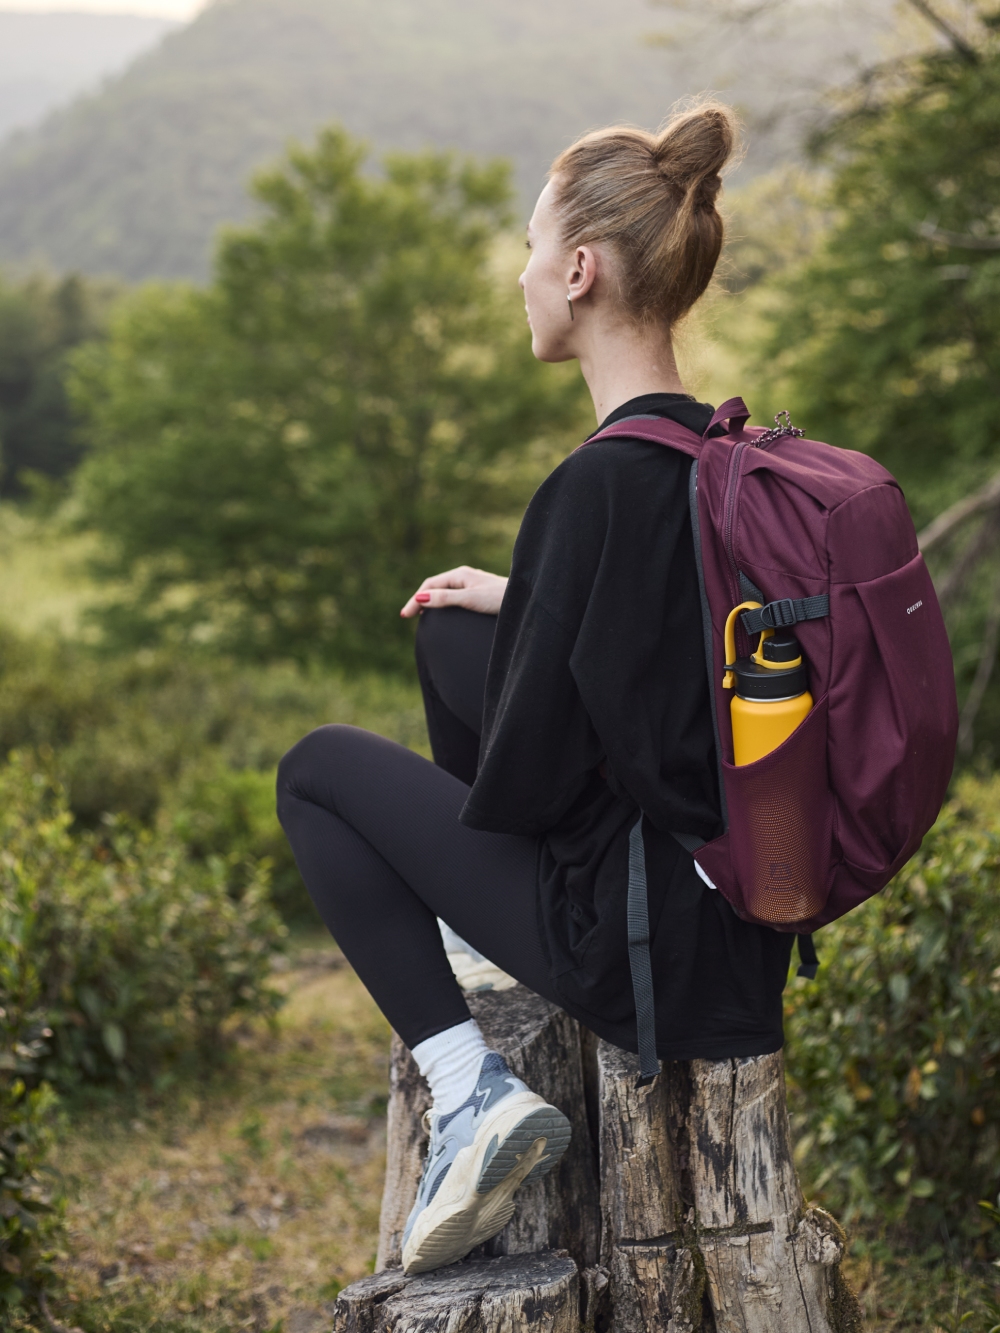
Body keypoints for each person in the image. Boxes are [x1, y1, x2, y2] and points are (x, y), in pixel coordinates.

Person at [276, 101, 795, 1276]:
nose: (518, 276)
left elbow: (525, 787)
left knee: (316, 772)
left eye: (529, 246)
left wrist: (534, 660)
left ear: (579, 269)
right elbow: (674, 638)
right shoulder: (717, 457)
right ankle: (479, 947)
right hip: (728, 916)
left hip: (639, 955)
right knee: (450, 630)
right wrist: (524, 606)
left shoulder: (589, 489)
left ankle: (470, 1088)